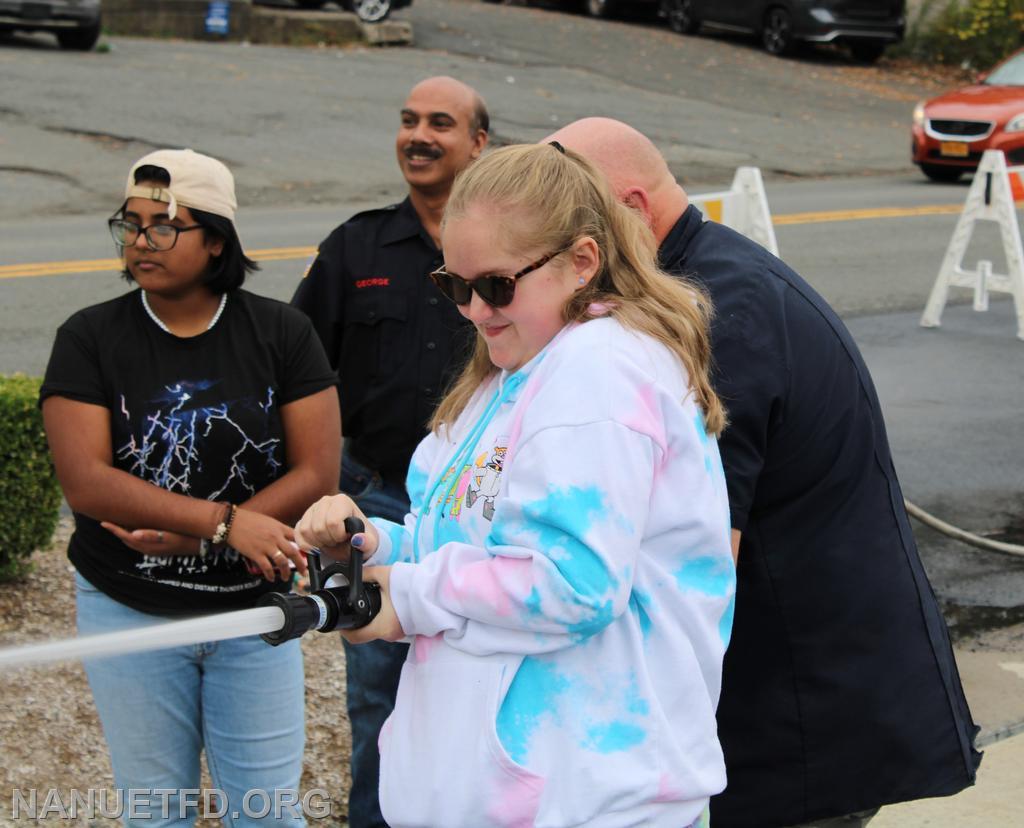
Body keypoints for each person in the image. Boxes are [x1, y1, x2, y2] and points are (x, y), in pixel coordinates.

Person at [548, 118, 982, 828]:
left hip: (797, 717)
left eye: (571, 226)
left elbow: (695, 563)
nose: (565, 252)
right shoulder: (704, 278)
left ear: (628, 207)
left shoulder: (715, 314)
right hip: (787, 697)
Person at [293, 142, 736, 828]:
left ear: (582, 261)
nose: (472, 309)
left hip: (592, 802)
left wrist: (405, 596)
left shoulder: (600, 376)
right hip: (524, 794)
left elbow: (573, 582)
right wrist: (373, 549)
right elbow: (472, 539)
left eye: (496, 285)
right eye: (454, 285)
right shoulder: (518, 370)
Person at [40, 148, 341, 827]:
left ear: (215, 241)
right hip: (128, 605)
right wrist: (223, 526)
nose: (141, 242)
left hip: (251, 612)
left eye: (164, 226)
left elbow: (315, 473)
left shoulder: (281, 332)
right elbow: (86, 481)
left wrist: (210, 536)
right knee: (155, 811)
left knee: (265, 812)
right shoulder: (89, 336)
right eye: (132, 224)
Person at [290, 76, 488, 827]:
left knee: (476, 671)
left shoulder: (514, 251)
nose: (419, 135)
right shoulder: (356, 246)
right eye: (408, 120)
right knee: (376, 685)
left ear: (479, 143)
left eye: (441, 122)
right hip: (373, 497)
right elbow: (300, 372)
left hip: (482, 503)